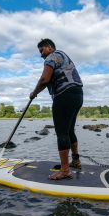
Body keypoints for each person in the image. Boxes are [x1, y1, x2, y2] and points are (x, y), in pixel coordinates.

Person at [30, 38, 83, 180]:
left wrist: (34, 93)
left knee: (61, 133)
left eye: (42, 50)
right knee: (69, 130)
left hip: (64, 96)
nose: (41, 54)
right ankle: (76, 161)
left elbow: (44, 79)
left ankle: (65, 170)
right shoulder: (63, 56)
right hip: (77, 95)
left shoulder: (52, 57)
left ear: (49, 47)